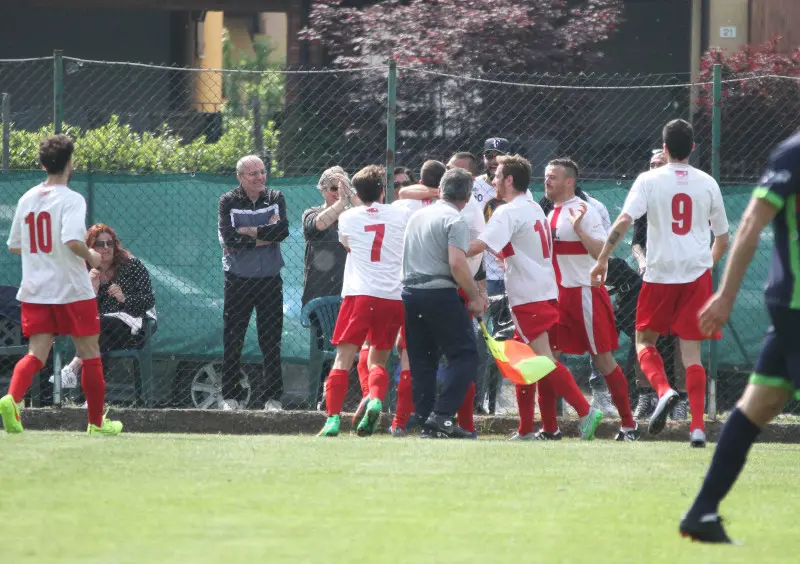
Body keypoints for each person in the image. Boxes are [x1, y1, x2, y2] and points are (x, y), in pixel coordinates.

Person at [678, 132, 800, 544]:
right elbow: (750, 222)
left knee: (759, 404)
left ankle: (702, 511)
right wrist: (726, 295)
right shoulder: (794, 153)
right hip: (797, 305)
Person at [590, 119, 730, 446]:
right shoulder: (708, 182)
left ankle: (664, 390)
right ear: (693, 148)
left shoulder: (649, 179)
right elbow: (722, 239)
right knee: (691, 354)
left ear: (664, 148)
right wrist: (702, 267)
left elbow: (625, 221)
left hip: (659, 275)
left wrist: (601, 260)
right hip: (695, 277)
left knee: (644, 342)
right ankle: (696, 427)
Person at [467, 155, 604, 441]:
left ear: (509, 180)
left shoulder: (508, 211)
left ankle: (584, 410)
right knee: (525, 363)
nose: (492, 180)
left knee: (542, 360)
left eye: (497, 176)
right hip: (544, 291)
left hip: (528, 296)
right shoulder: (532, 208)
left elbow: (479, 245)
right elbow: (514, 247)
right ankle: (530, 428)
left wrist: (449, 250)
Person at [0, 134, 122, 435]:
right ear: (70, 163)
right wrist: (92, 255)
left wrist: (42, 250)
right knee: (90, 353)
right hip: (71, 289)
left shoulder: (27, 198)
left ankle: (12, 400)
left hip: (36, 289)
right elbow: (70, 239)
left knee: (36, 354)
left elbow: (14, 245)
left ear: (42, 164)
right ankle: (96, 423)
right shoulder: (71, 199)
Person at [541, 158, 637, 440]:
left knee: (603, 360)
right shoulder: (551, 212)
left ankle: (629, 426)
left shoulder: (585, 210)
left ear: (569, 181)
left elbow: (600, 254)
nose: (547, 182)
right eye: (546, 177)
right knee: (548, 361)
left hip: (584, 294)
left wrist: (581, 230)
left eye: (553, 177)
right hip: (558, 297)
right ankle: (549, 428)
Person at [317, 165, 410, 437]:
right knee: (379, 359)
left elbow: (349, 246)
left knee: (342, 359)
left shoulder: (347, 218)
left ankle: (333, 419)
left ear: (356, 192)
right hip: (392, 297)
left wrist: (351, 199)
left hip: (359, 294)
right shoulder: (401, 213)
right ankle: (377, 400)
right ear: (383, 190)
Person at [402, 167, 487, 438]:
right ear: (468, 195)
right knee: (464, 354)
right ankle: (442, 415)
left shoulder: (418, 215)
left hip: (410, 293)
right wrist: (475, 296)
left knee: (422, 360)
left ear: (440, 189)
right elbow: (457, 263)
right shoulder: (455, 219)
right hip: (439, 293)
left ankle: (427, 421)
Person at [218, 155, 289, 411]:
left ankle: (272, 399)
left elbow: (282, 232)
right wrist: (264, 233)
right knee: (233, 338)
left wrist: (250, 231)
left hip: (270, 280)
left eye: (262, 171)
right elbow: (229, 240)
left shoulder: (276, 197)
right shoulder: (227, 201)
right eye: (253, 173)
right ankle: (230, 397)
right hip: (237, 280)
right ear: (240, 177)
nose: (260, 177)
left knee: (271, 340)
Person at [58, 224, 156, 388]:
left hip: (132, 328)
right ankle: (91, 400)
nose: (105, 248)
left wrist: (124, 299)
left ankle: (73, 368)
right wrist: (91, 289)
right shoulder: (85, 271)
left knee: (97, 329)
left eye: (109, 243)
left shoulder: (132, 266)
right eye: (99, 244)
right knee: (99, 340)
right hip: (101, 330)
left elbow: (148, 300)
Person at [631, 149, 687, 420]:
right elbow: (636, 242)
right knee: (641, 337)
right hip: (652, 278)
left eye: (660, 164)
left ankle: (683, 399)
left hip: (682, 279)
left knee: (683, 338)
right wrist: (643, 262)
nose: (654, 169)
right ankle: (647, 396)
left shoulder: (689, 193)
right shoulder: (645, 198)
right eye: (651, 164)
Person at [302, 166, 356, 409]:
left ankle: (341, 399)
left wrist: (350, 200)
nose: (338, 192)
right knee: (323, 352)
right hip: (321, 295)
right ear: (323, 190)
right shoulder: (312, 213)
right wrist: (343, 202)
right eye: (334, 188)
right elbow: (317, 226)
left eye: (343, 187)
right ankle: (320, 400)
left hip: (352, 293)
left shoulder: (356, 215)